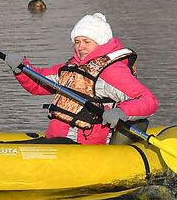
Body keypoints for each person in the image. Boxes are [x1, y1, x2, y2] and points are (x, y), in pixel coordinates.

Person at [13, 13, 158, 144]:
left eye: (86, 42)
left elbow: (148, 100)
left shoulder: (111, 71)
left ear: (100, 42)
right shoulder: (71, 67)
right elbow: (39, 83)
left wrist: (122, 112)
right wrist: (21, 68)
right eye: (77, 41)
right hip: (57, 141)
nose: (80, 47)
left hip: (82, 145)